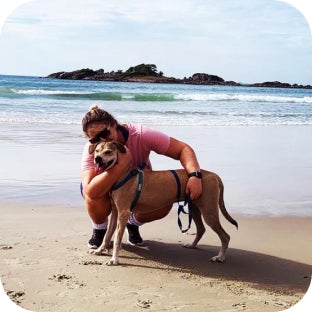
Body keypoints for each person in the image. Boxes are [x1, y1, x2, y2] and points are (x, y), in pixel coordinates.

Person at [81, 105, 202, 248]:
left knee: (164, 202)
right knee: (94, 196)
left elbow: (183, 149)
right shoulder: (92, 148)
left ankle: (132, 224)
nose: (101, 140)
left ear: (113, 125)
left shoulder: (140, 134)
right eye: (95, 138)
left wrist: (195, 175)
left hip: (139, 187)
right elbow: (91, 191)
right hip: (106, 189)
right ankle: (99, 229)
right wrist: (121, 165)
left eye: (105, 133)